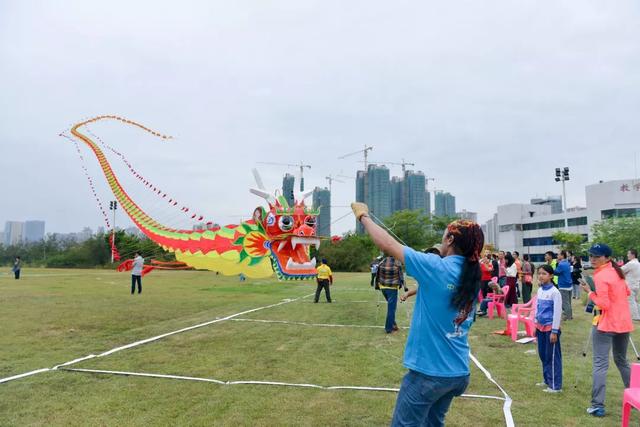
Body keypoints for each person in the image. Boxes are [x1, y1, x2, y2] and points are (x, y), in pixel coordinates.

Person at [351, 202, 483, 426]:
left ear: (450, 240)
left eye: (443, 236)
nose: (441, 240)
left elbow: (388, 244)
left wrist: (363, 216)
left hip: (429, 374)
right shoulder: (471, 274)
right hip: (457, 372)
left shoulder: (437, 267)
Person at [580, 243, 633, 418]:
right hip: (623, 323)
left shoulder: (602, 275)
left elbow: (603, 304)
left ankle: (597, 405)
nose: (593, 259)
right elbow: (626, 293)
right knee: (621, 360)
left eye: (597, 256)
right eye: (591, 256)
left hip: (607, 324)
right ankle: (634, 395)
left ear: (607, 258)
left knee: (600, 364)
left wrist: (590, 292)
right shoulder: (617, 272)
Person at [534, 264, 563, 393]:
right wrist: (536, 324)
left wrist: (554, 331)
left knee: (552, 357)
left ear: (551, 276)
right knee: (543, 355)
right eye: (539, 273)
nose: (541, 276)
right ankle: (547, 380)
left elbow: (557, 313)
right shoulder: (540, 290)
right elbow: (537, 308)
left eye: (544, 273)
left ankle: (555, 386)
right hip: (540, 328)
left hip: (551, 329)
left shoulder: (555, 292)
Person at [375, 255, 405, 333]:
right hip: (392, 289)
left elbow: (377, 275)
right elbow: (401, 276)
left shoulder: (381, 262)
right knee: (391, 309)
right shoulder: (397, 263)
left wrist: (377, 285)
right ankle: (389, 329)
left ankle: (394, 325)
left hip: (383, 287)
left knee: (391, 307)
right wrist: (403, 286)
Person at [622, 249, 640, 321]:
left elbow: (620, 270)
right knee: (634, 301)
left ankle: (635, 317)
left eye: (628, 254)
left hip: (630, 285)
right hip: (636, 285)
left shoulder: (631, 263)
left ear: (633, 255)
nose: (627, 255)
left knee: (631, 301)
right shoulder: (638, 263)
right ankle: (637, 314)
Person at [555, 250, 573, 320]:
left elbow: (556, 272)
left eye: (558, 255)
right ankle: (568, 315)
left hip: (563, 285)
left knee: (565, 302)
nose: (557, 256)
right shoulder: (567, 263)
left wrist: (556, 265)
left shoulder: (561, 264)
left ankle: (568, 316)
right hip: (569, 284)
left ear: (562, 255)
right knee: (568, 301)